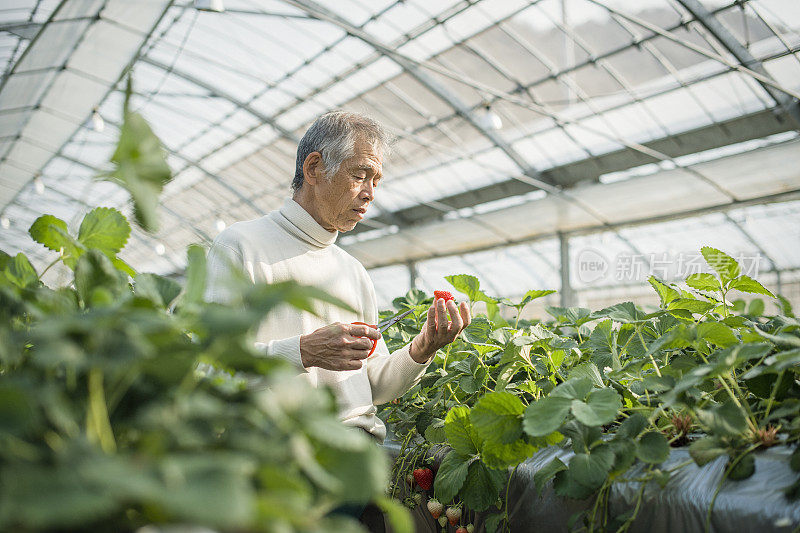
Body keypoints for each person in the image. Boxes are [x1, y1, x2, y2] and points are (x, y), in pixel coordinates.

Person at [204, 110, 471, 443]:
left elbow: (372, 384)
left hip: (358, 454)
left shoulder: (351, 271)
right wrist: (303, 351)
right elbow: (211, 370)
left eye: (376, 181)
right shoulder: (241, 246)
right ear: (314, 168)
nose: (371, 192)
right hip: (281, 457)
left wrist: (422, 348)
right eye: (360, 175)